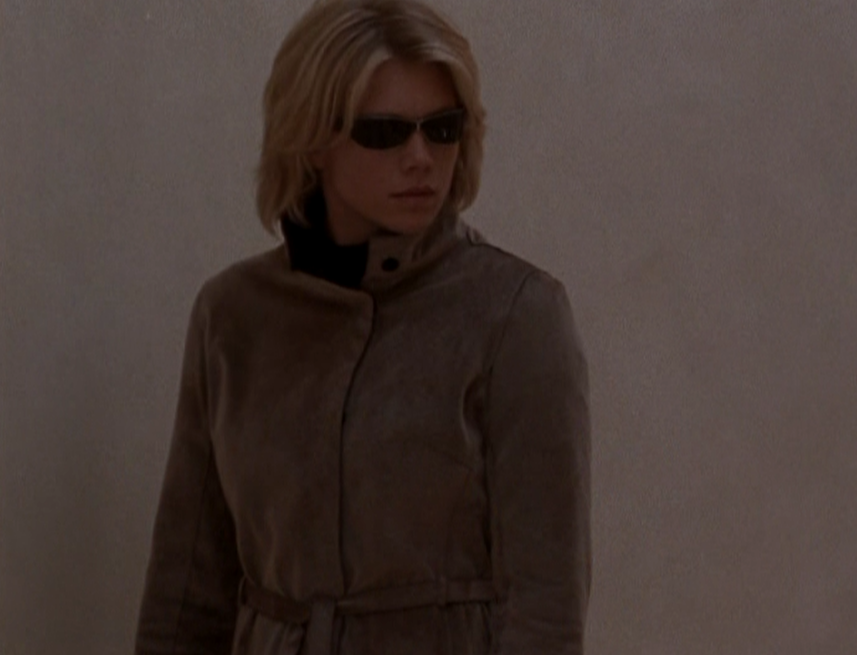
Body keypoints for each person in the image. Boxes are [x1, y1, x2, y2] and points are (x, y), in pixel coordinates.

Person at [134, 0, 591, 653]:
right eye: (384, 132)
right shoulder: (233, 316)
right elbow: (187, 591)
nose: (420, 157)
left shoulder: (515, 314)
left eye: (442, 128)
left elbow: (545, 606)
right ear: (313, 138)